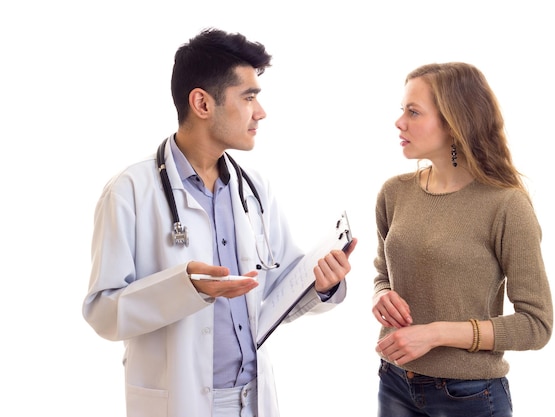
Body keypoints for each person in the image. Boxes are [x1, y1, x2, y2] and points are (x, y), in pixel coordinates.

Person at [82, 27, 357, 417]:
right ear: (202, 103)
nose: (260, 112)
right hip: (178, 401)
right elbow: (102, 313)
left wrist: (322, 283)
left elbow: (279, 286)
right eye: (248, 98)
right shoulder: (129, 191)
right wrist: (185, 287)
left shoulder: (254, 189)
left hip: (252, 398)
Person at [371, 62, 553, 417]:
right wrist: (381, 295)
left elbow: (537, 325)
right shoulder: (394, 193)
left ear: (454, 123)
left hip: (469, 397)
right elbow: (383, 274)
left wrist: (437, 333)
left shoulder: (505, 205)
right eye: (402, 110)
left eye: (414, 112)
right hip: (394, 382)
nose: (399, 122)